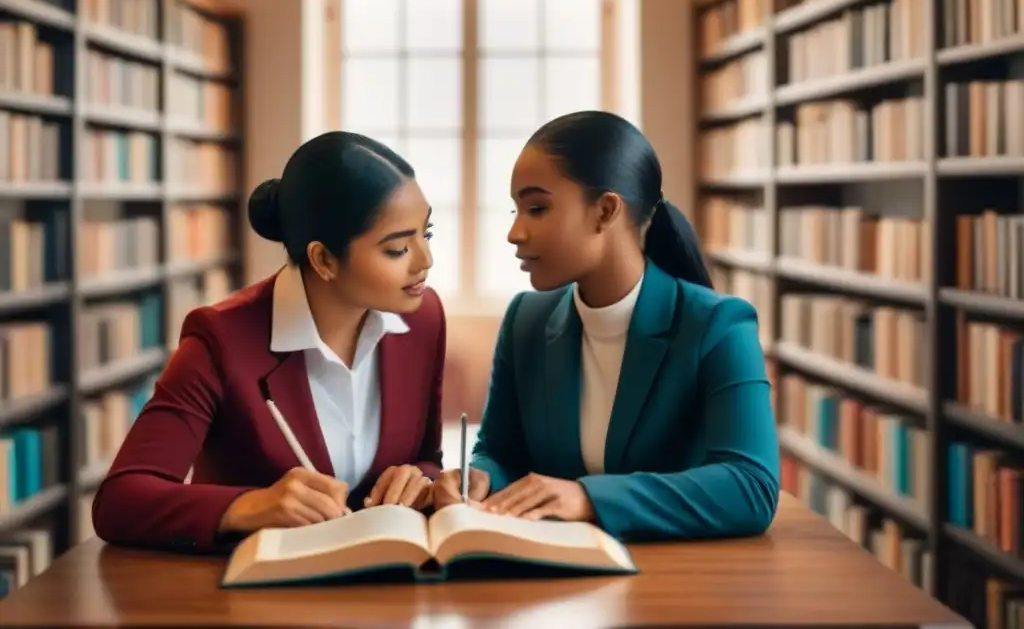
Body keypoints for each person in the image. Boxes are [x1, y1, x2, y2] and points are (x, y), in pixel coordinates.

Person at [91, 131, 447, 552]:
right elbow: (120, 500)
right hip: (253, 597)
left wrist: (419, 478)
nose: (426, 261)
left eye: (426, 234)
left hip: (384, 596)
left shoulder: (422, 320)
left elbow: (427, 458)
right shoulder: (221, 339)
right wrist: (250, 506)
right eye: (398, 249)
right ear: (323, 260)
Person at [433, 111, 779, 542]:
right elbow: (501, 451)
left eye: (537, 208)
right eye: (516, 209)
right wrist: (478, 477)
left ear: (605, 211)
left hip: (674, 583)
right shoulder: (526, 319)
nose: (514, 233)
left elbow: (752, 487)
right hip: (553, 578)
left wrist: (589, 498)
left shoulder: (719, 326)